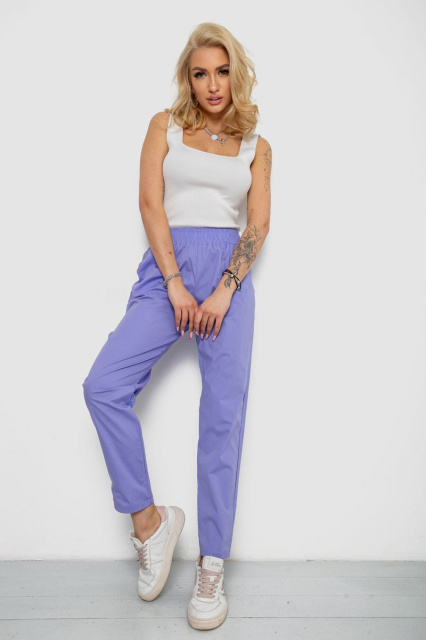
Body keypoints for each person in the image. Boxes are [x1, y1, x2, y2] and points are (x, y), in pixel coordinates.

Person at [82, 22, 272, 631]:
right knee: (103, 386)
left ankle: (211, 566)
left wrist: (224, 289)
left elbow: (257, 225)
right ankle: (150, 523)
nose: (212, 84)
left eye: (222, 71)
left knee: (222, 420)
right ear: (187, 79)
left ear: (236, 75)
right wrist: (174, 282)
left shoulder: (256, 145)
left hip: (228, 282)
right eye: (200, 73)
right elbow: (150, 204)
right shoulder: (163, 126)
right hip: (167, 273)